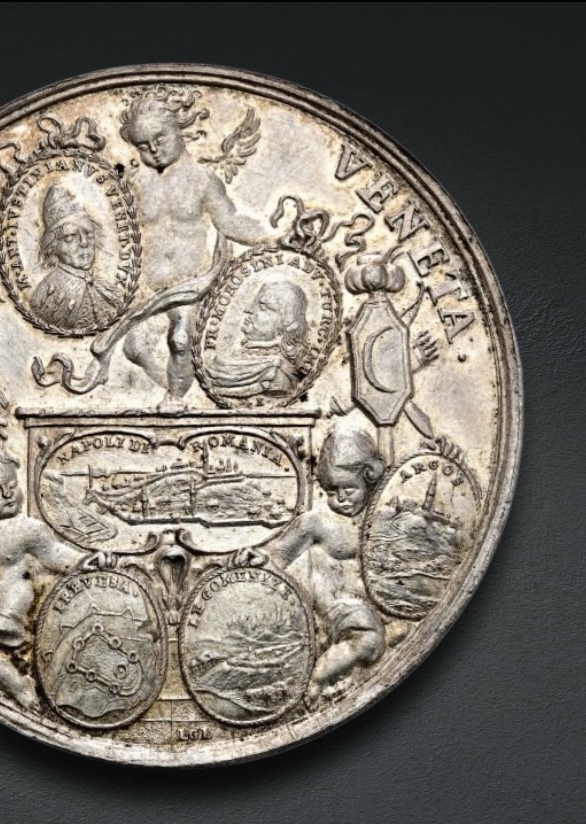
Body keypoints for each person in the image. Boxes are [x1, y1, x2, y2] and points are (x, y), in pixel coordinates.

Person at [119, 87, 273, 409]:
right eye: (143, 146)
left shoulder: (203, 180)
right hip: (146, 286)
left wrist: (274, 239)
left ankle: (175, 399)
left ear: (179, 130)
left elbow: (230, 222)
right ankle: (183, 387)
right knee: (134, 348)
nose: (154, 150)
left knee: (180, 339)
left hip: (191, 283)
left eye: (160, 139)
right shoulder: (134, 183)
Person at [0, 440, 88, 710]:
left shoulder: (27, 529)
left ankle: (23, 686)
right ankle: (18, 685)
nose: (7, 495)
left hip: (15, 617)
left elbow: (56, 554)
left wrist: (87, 562)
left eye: (12, 485)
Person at [266, 429, 386, 700]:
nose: (341, 498)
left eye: (349, 488)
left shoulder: (380, 517)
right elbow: (276, 556)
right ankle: (317, 678)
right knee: (369, 639)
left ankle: (327, 676)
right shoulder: (316, 522)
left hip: (366, 609)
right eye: (332, 491)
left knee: (374, 637)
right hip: (335, 612)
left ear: (368, 477)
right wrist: (257, 559)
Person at [31, 185, 119, 332]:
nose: (84, 243)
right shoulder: (45, 296)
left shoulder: (106, 288)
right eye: (70, 237)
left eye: (89, 234)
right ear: (53, 247)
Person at [206, 281, 308, 398]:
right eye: (254, 303)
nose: (249, 309)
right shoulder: (230, 358)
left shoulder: (276, 377)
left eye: (263, 307)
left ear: (286, 322)